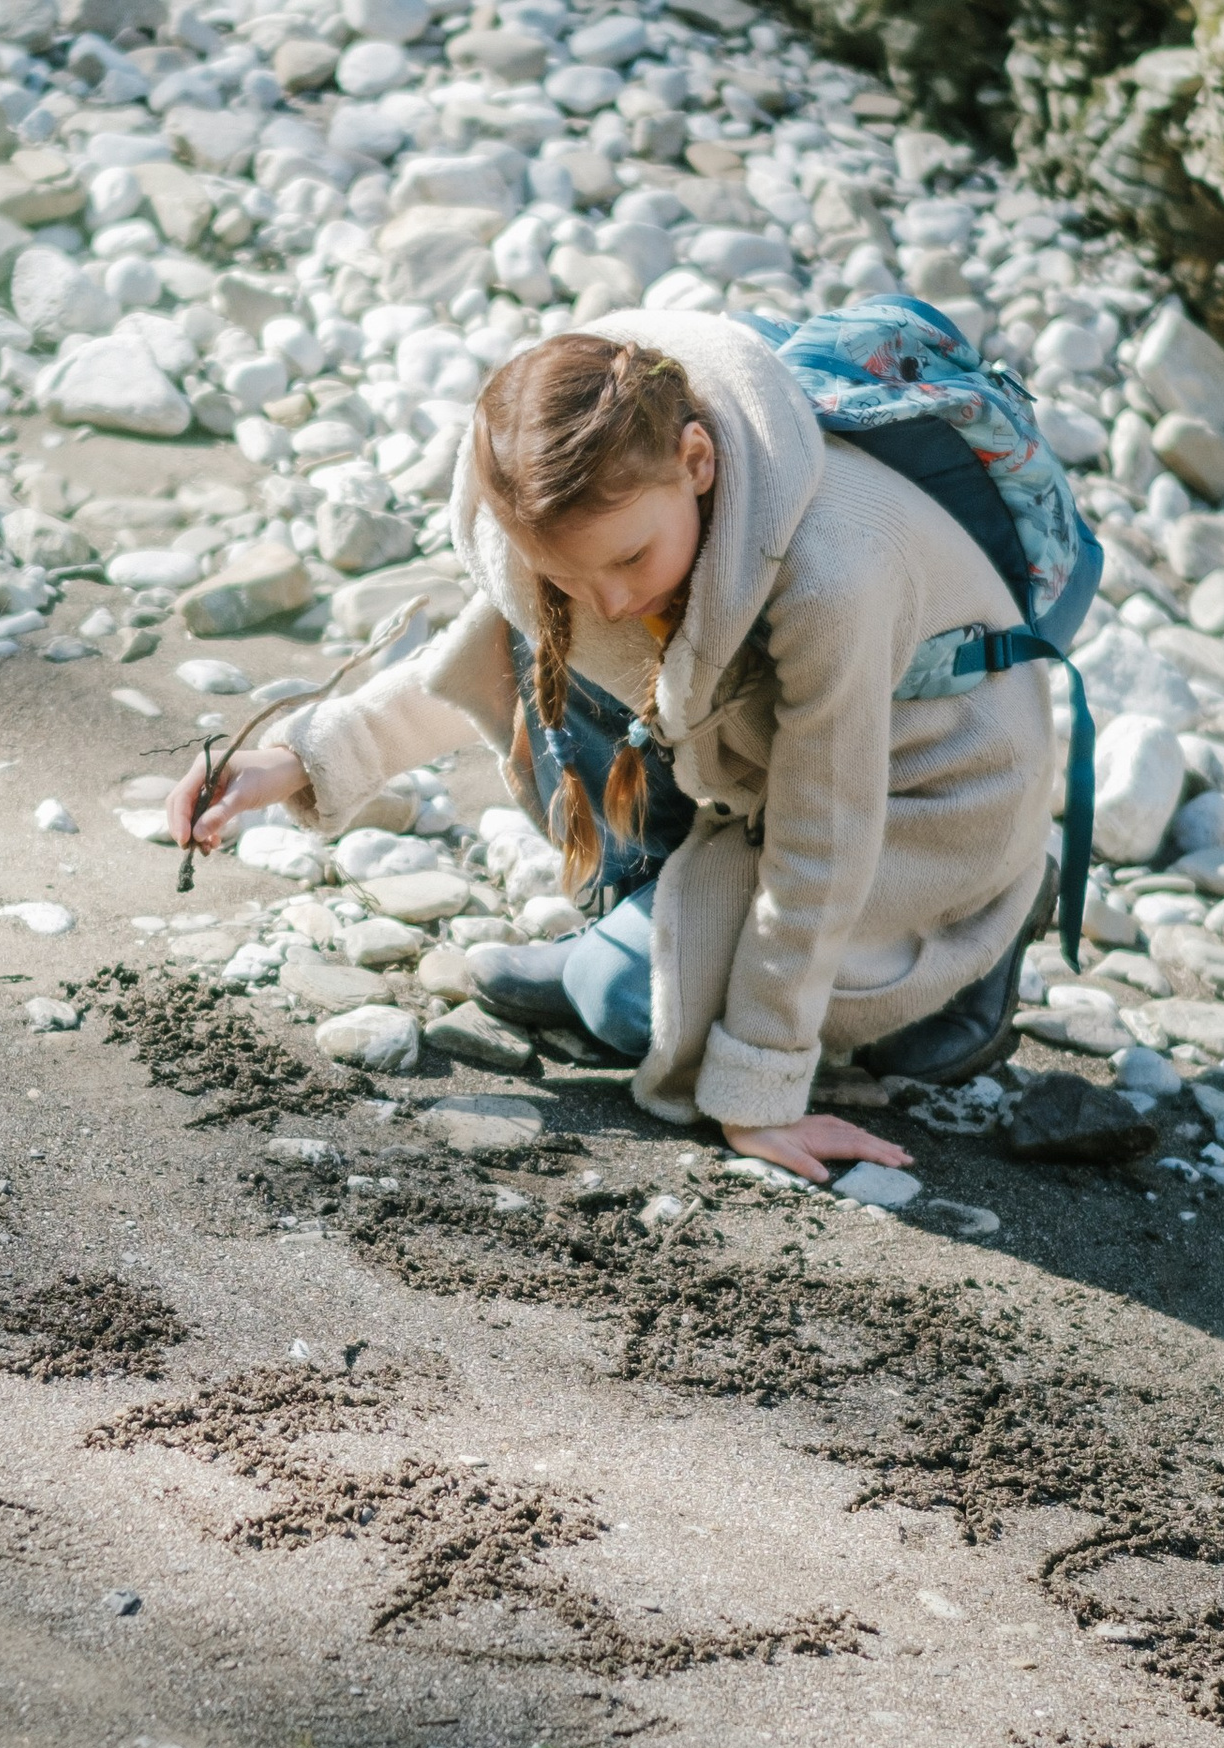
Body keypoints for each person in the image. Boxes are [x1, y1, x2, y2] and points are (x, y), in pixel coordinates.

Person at [169, 312, 1061, 1187]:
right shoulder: (609, 528)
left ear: (698, 462)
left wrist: (761, 1084)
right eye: (568, 574)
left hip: (933, 802)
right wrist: (293, 758)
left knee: (623, 1002)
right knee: (547, 644)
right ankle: (655, 921)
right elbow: (485, 652)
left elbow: (825, 832)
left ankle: (967, 959)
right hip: (770, 768)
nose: (604, 601)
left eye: (630, 560)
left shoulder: (833, 576)